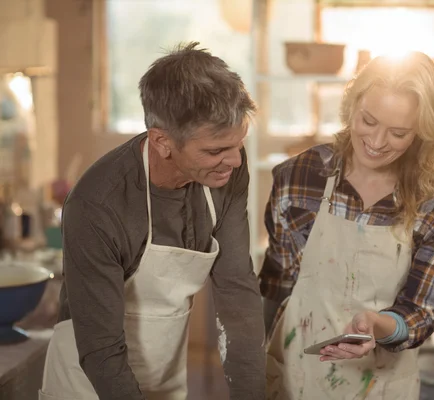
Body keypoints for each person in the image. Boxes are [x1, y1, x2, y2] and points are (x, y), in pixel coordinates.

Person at [39, 42, 265, 400]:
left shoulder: (227, 169)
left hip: (166, 381)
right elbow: (101, 349)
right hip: (90, 385)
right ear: (162, 141)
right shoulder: (97, 205)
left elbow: (237, 292)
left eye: (239, 144)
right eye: (216, 151)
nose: (235, 161)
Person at [259, 52, 434, 399]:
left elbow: (420, 313)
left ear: (420, 133)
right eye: (368, 120)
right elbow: (276, 284)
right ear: (352, 105)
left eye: (398, 132)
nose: (377, 141)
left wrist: (377, 325)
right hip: (294, 378)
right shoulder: (299, 177)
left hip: (381, 386)